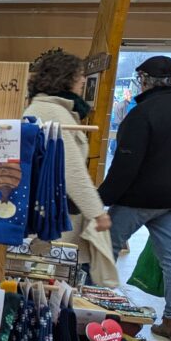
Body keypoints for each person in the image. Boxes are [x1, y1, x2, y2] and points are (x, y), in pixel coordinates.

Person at [100, 55, 171, 341]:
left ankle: (95, 306)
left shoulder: (142, 113)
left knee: (105, 246)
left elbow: (125, 164)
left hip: (138, 198)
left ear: (146, 80)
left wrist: (102, 197)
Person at [22, 50, 113, 282]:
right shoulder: (53, 112)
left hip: (52, 210)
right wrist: (97, 212)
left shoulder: (49, 108)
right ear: (64, 77)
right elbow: (71, 170)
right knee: (49, 280)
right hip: (56, 215)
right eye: (79, 75)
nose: (83, 80)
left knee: (46, 279)